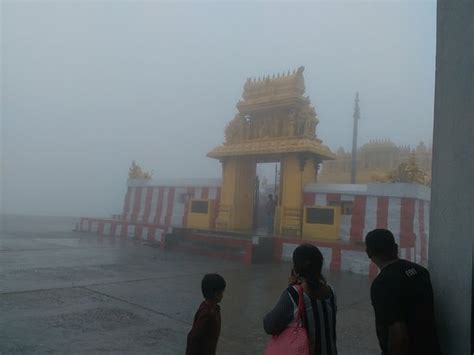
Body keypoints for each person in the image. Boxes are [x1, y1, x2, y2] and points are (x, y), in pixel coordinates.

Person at [365, 229, 441, 355]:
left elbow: (399, 336)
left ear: (368, 253)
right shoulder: (421, 271)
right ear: (395, 248)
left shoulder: (382, 284)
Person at [263, 244, 337, 355]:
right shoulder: (331, 292)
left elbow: (269, 326)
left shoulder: (294, 294)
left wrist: (290, 287)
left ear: (296, 269)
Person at [186, 274, 226, 355]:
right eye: (222, 291)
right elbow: (193, 337)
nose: (223, 294)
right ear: (216, 294)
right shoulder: (207, 314)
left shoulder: (212, 308)